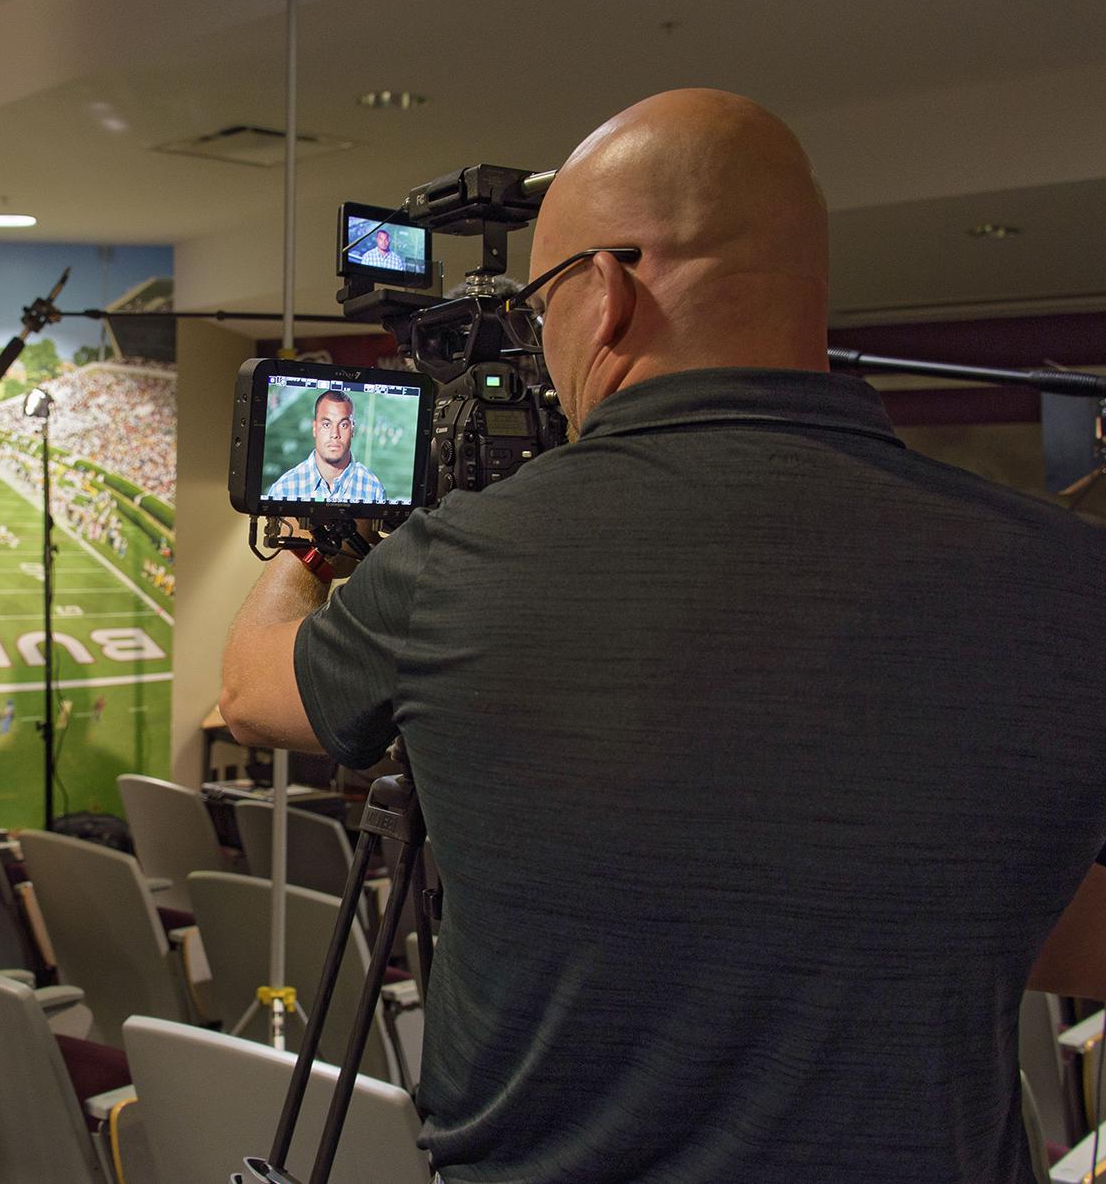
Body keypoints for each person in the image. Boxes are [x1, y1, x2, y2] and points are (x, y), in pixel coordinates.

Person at [219, 88, 1106, 1183]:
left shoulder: (455, 563)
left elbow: (253, 695)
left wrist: (304, 546)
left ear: (601, 291)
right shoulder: (1068, 575)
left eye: (538, 305)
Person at [262, 389, 387, 503]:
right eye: (327, 425)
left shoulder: (373, 488)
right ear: (315, 428)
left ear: (352, 429)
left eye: (343, 425)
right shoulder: (283, 489)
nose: (335, 434)